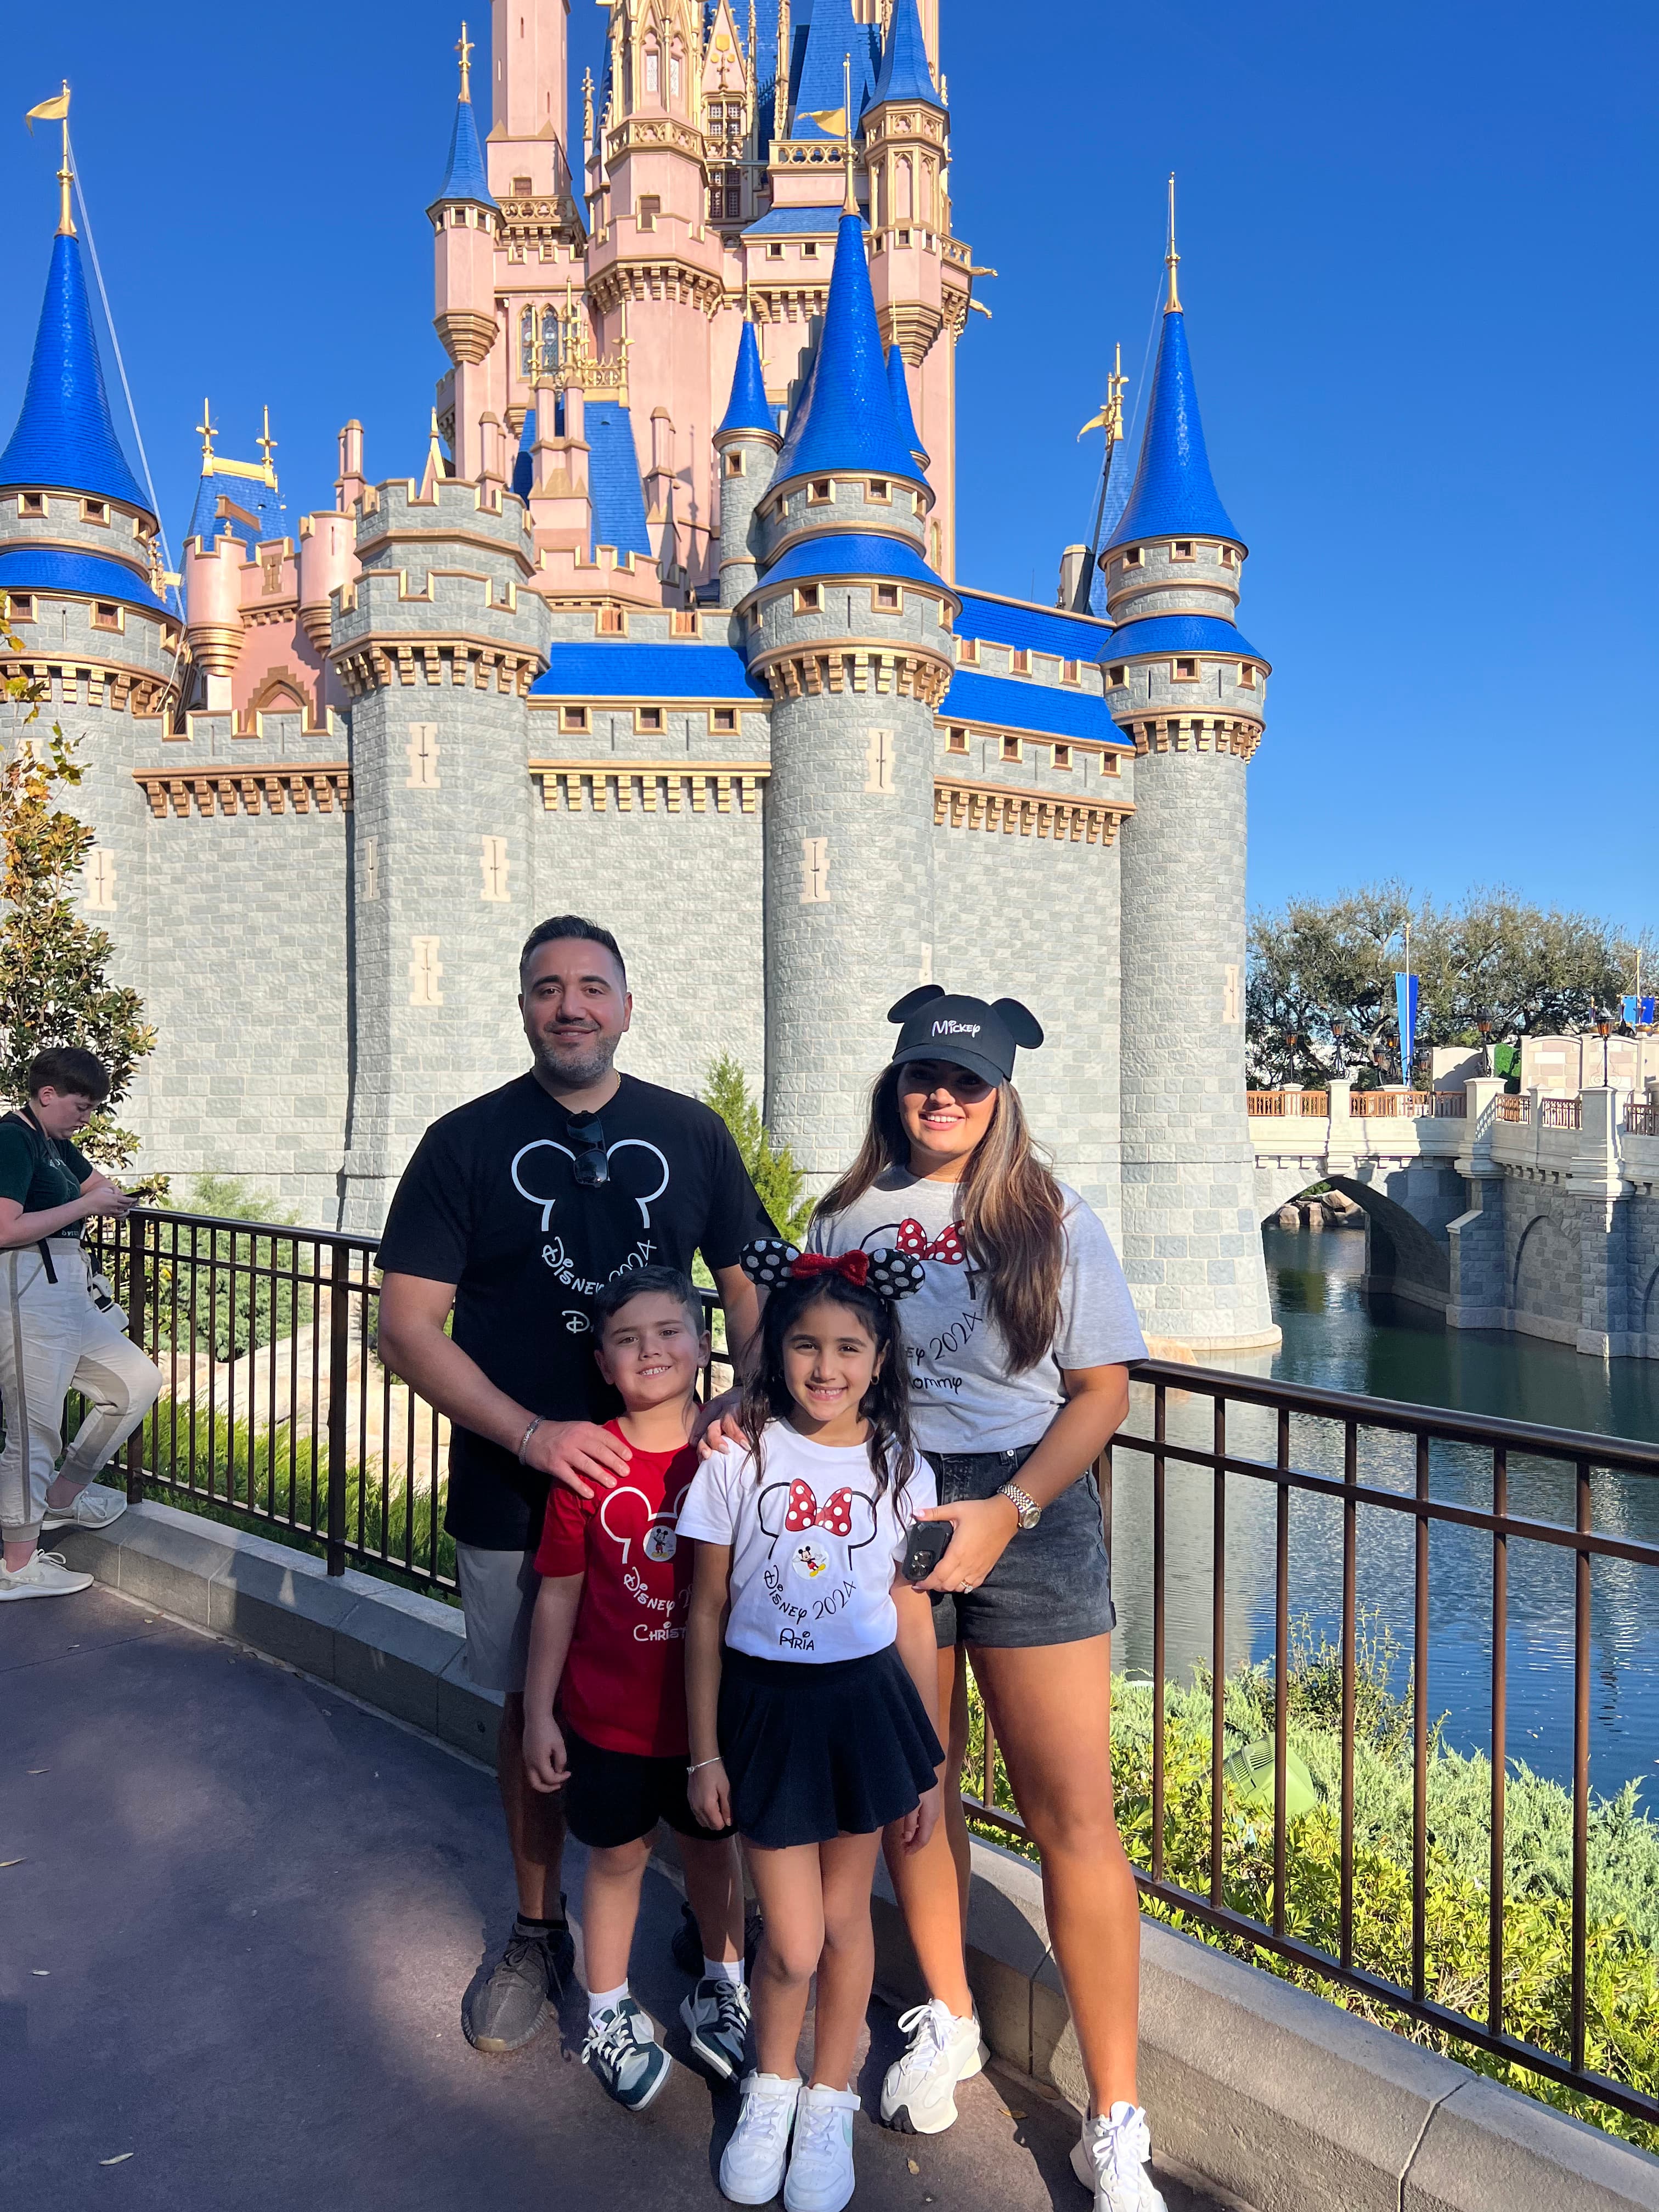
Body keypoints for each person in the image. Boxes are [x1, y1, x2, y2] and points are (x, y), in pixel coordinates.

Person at [376, 916, 774, 2057]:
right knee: (533, 1704)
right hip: (516, 1484)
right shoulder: (463, 1142)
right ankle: (537, 1927)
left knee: (710, 1686)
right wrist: (533, 1433)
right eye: (547, 988)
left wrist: (744, 1397)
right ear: (523, 1008)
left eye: (592, 986)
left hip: (684, 1486)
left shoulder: (691, 1133)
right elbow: (407, 1326)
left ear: (627, 1007)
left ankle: (712, 1925)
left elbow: (753, 1280)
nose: (571, 1006)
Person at [806, 988, 1161, 2212]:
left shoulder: (1050, 1217)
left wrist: (1008, 1508)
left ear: (1001, 1095)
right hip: (892, 1505)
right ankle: (950, 2014)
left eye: (966, 1082)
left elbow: (1101, 1390)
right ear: (895, 1083)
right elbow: (816, 1367)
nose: (942, 1097)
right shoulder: (846, 1214)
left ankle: (1115, 2114)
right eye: (924, 1076)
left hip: (1028, 1510)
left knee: (1074, 1815)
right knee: (918, 1791)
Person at [680, 1242, 942, 2212]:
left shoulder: (904, 1467)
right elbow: (705, 1609)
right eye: (804, 1346)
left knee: (845, 1920)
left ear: (880, 1358)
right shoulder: (736, 1456)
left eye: (847, 1348)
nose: (824, 1368)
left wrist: (924, 1758)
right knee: (791, 1941)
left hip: (864, 1709)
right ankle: (773, 2080)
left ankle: (828, 2097)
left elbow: (910, 1612)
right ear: (775, 1351)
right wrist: (703, 1751)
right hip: (766, 1710)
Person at [521, 1267, 748, 2112]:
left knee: (714, 1853)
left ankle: (724, 1986)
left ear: (703, 1343)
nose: (650, 1351)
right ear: (604, 1363)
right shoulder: (588, 1464)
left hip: (709, 1726)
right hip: (609, 1718)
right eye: (627, 1339)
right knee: (616, 1859)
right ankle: (609, 2011)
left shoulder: (735, 1452)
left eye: (668, 1331)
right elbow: (558, 1594)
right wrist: (539, 1712)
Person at [0, 1047, 160, 1604]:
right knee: (34, 1429)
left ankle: (61, 1498)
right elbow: (5, 1228)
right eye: (81, 1106)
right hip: (27, 1290)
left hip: (65, 1293)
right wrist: (82, 1209)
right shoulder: (13, 1139)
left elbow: (99, 1185)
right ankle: (17, 1567)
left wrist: (99, 1199)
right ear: (47, 1095)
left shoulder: (53, 1143)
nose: (86, 1118)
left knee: (136, 1382)